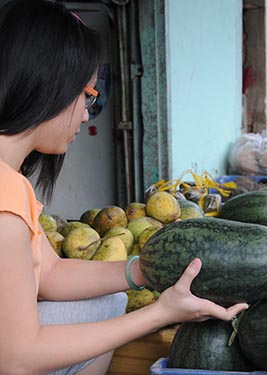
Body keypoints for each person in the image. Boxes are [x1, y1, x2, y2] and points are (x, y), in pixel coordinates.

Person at [0, 1, 248, 374]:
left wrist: (145, 269)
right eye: (88, 94)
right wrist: (159, 313)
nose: (86, 113)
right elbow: (16, 358)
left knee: (111, 301)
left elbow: (48, 274)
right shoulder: (5, 201)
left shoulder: (12, 183)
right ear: (51, 84)